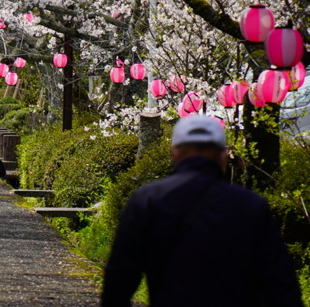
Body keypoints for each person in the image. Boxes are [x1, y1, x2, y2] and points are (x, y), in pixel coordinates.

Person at [101, 115, 301, 306]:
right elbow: (280, 283)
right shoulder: (251, 205)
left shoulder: (148, 200)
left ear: (175, 153)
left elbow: (120, 277)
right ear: (222, 156)